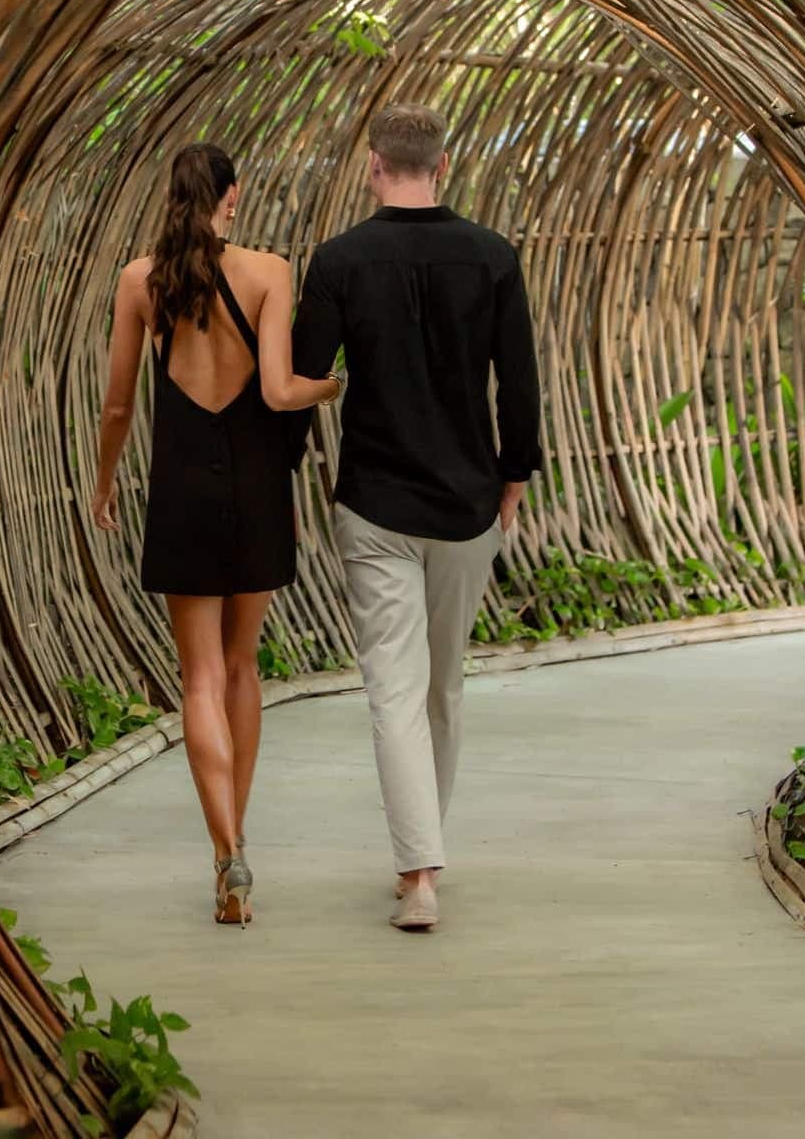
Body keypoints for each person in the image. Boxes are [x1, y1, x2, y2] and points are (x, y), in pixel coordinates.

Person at [292, 102, 542, 933]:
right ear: (444, 164)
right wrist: (513, 478)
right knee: (442, 687)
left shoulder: (337, 260)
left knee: (392, 689)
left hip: (374, 501)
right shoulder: (493, 256)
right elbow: (520, 380)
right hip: (468, 503)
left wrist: (292, 458)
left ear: (373, 165)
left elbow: (301, 377)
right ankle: (424, 858)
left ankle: (419, 871)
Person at [91, 142, 340, 926]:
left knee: (197, 676)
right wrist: (336, 384)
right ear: (232, 196)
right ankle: (235, 841)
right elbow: (278, 388)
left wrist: (103, 482)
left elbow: (119, 405)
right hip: (258, 479)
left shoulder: (140, 281)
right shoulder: (269, 271)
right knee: (241, 666)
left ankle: (226, 849)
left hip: (180, 484)